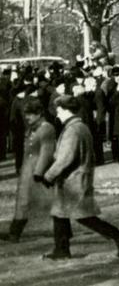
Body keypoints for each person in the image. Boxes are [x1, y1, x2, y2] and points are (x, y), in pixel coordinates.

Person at [42, 95, 119, 260]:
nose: (57, 114)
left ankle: (117, 235)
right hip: (75, 178)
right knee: (60, 213)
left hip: (72, 180)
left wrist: (48, 176)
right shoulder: (79, 126)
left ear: (66, 110)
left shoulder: (73, 129)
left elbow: (65, 158)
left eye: (59, 110)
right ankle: (61, 249)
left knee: (83, 216)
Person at [0, 98, 55, 242]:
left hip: (38, 173)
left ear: (39, 114)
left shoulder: (46, 127)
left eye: (30, 114)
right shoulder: (33, 127)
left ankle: (64, 233)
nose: (27, 117)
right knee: (23, 202)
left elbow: (46, 151)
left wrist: (39, 172)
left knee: (52, 202)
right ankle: (14, 233)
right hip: (27, 171)